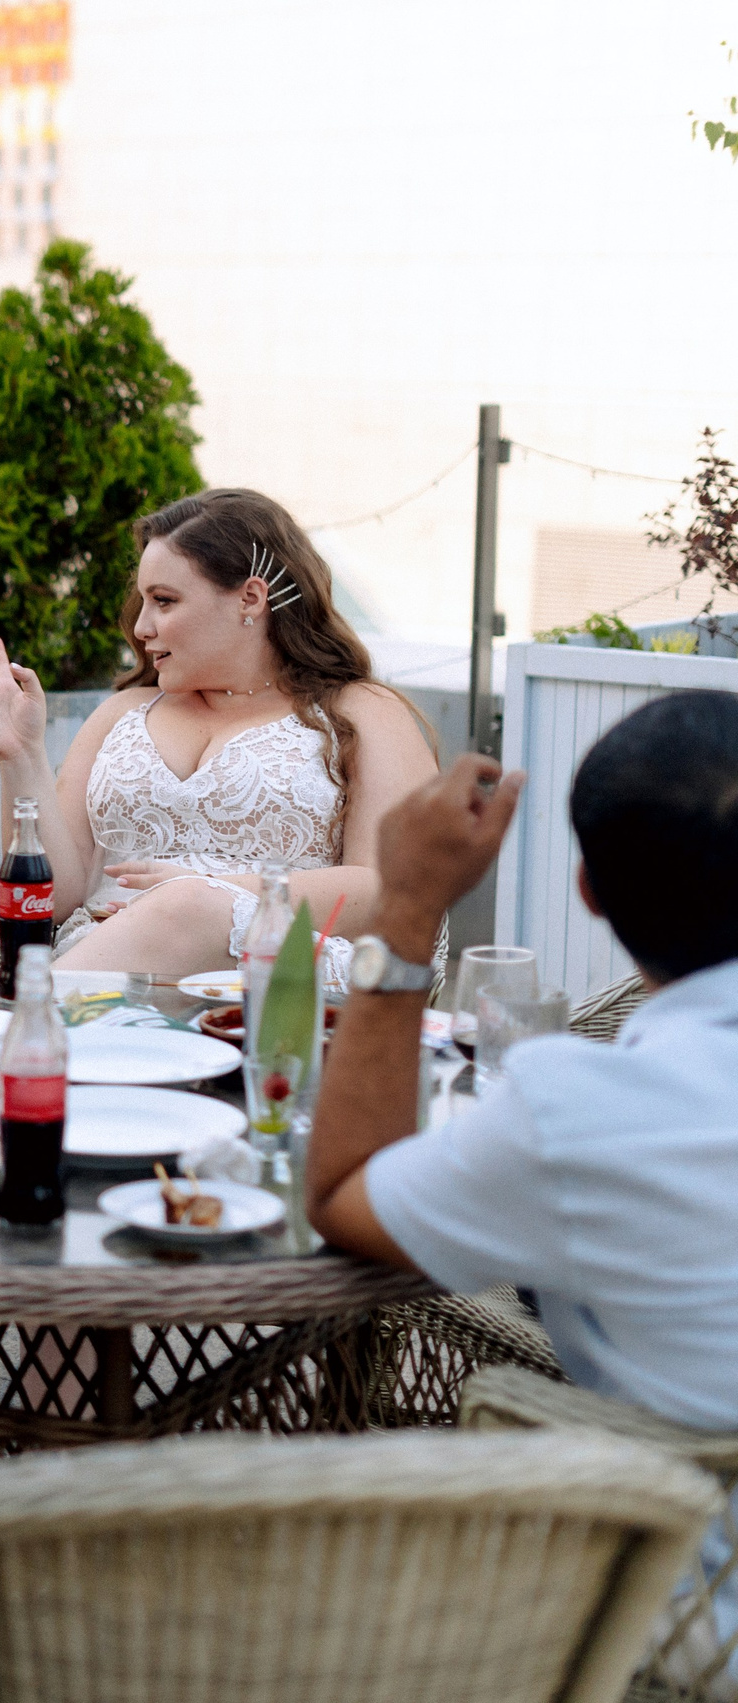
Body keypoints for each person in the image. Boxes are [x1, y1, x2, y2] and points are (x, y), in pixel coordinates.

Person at [309, 695, 738, 1682]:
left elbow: (339, 1192)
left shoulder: (578, 1110)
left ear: (587, 891)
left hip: (687, 1622)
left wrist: (408, 906)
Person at [0, 488, 438, 986]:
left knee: (185, 905)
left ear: (250, 598)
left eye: (164, 601)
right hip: (107, 972)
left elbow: (392, 888)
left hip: (282, 975)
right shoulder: (122, 713)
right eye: (143, 601)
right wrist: (21, 756)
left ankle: (26, 1026)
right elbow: (53, 901)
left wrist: (208, 892)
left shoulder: (362, 712)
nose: (141, 627)